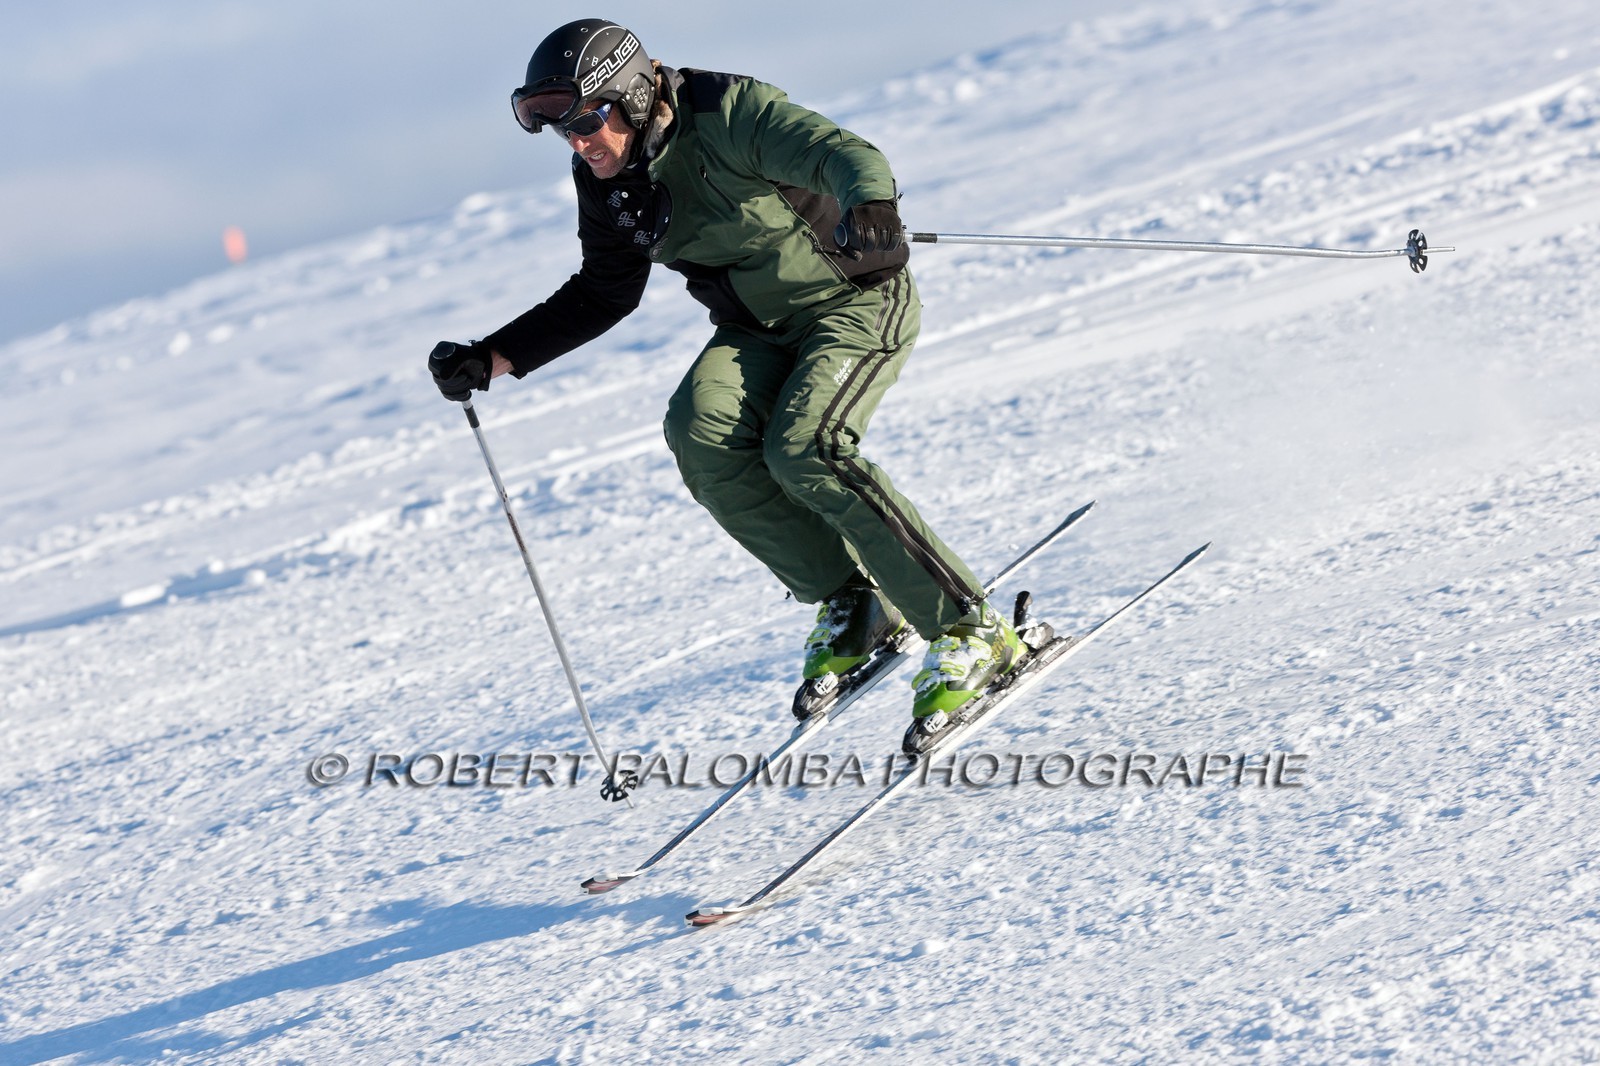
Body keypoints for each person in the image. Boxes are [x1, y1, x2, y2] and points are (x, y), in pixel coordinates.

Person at [428, 18, 1024, 743]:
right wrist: (491, 357)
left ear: (633, 96)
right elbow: (603, 293)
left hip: (854, 301)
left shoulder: (730, 113)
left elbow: (842, 153)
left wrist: (868, 205)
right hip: (756, 331)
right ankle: (854, 604)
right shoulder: (606, 178)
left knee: (809, 447)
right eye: (563, 130)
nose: (580, 141)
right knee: (699, 432)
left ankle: (970, 630)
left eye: (588, 119)